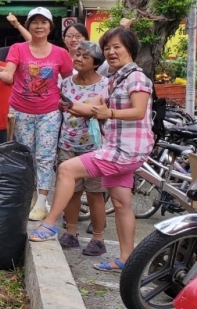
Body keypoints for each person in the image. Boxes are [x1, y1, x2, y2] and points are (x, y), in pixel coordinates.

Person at [29, 27, 152, 274]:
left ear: (130, 49)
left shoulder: (136, 78)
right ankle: (126, 258)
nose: (111, 52)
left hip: (125, 150)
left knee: (66, 169)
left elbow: (138, 110)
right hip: (121, 149)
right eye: (107, 48)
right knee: (121, 202)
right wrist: (70, 104)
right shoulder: (116, 79)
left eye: (117, 47)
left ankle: (49, 224)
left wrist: (111, 113)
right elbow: (92, 107)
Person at [0, 7, 73, 221]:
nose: (39, 26)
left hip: (49, 111)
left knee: (45, 156)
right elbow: (9, 74)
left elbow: (70, 82)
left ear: (50, 27)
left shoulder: (61, 53)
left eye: (44, 22)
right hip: (21, 111)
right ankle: (28, 197)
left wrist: (70, 103)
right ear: (28, 26)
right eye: (35, 22)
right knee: (27, 155)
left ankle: (41, 202)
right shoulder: (18, 48)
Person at [54, 41, 109, 256]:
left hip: (94, 147)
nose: (78, 59)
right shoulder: (66, 83)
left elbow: (100, 111)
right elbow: (62, 109)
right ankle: (71, 233)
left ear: (95, 62)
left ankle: (98, 238)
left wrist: (80, 109)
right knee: (72, 193)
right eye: (77, 55)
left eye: (85, 56)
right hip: (68, 142)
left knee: (95, 193)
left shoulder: (106, 84)